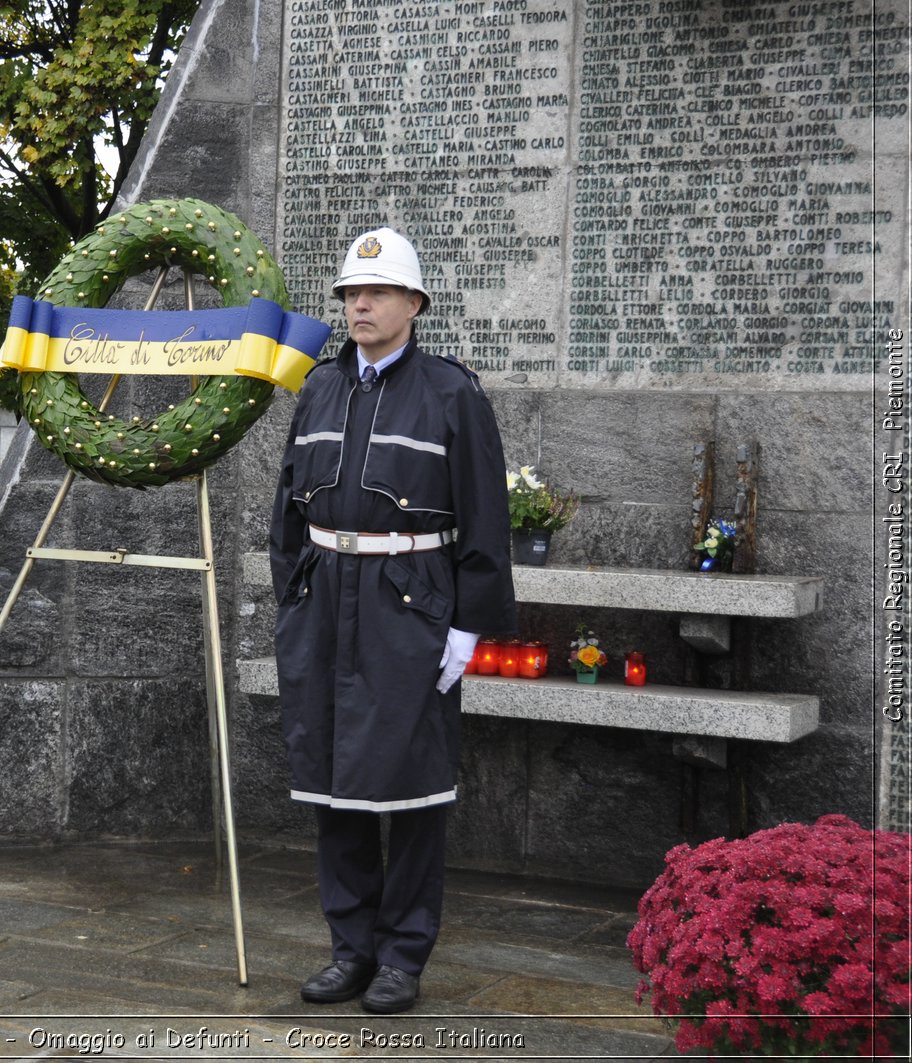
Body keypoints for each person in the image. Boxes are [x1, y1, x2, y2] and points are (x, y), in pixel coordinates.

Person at [269, 227, 516, 1015]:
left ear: (414, 304)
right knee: (333, 782)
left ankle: (403, 955)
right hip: (324, 600)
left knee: (409, 788)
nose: (359, 304)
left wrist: (468, 624)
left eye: (375, 292)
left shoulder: (451, 392)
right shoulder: (318, 388)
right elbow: (286, 507)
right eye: (349, 293)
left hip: (407, 605)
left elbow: (486, 516)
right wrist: (292, 600)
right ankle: (351, 948)